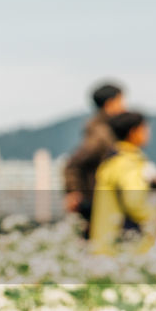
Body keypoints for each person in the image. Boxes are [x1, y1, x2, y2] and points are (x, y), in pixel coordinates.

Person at [89, 111, 156, 255]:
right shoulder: (130, 163)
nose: (148, 134)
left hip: (104, 243)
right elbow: (134, 202)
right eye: (145, 129)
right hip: (125, 247)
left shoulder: (111, 161)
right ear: (134, 132)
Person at [63, 81, 126, 235]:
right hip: (95, 198)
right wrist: (73, 191)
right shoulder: (102, 132)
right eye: (121, 101)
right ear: (110, 103)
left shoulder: (104, 128)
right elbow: (74, 163)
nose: (124, 106)